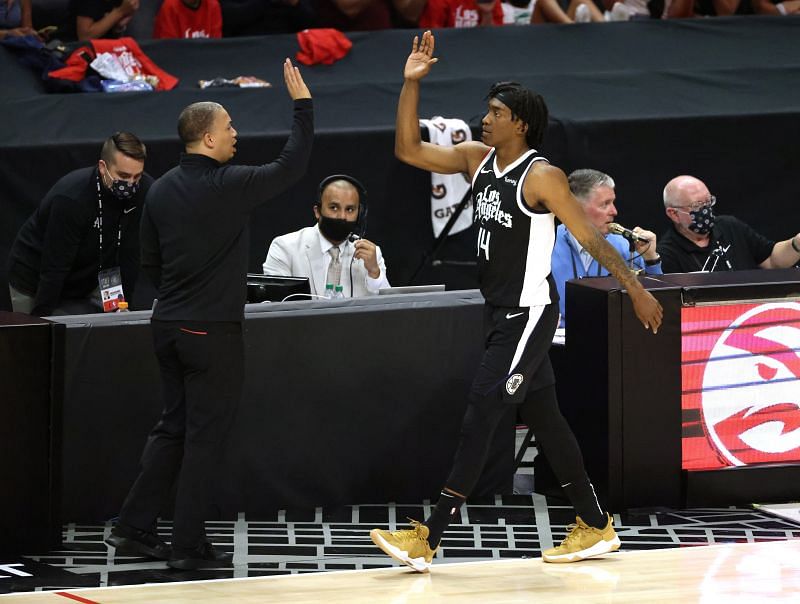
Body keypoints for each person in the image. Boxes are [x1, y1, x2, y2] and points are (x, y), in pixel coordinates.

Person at [369, 30, 662, 571]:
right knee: (547, 418)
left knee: (482, 410)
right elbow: (407, 149)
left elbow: (591, 238)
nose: (486, 118)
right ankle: (596, 526)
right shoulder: (476, 159)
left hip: (528, 314)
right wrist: (410, 85)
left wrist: (636, 288)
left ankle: (429, 538)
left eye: (496, 111)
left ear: (520, 123)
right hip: (498, 310)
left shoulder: (543, 176)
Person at [105, 59, 313, 570]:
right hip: (210, 330)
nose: (236, 135)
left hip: (167, 325)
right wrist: (303, 106)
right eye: (230, 128)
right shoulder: (228, 184)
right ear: (207, 137)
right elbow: (292, 165)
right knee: (203, 439)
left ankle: (133, 527)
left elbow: (147, 261)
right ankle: (187, 546)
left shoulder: (159, 188)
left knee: (172, 428)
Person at [7, 132, 152, 316]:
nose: (130, 183)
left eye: (137, 176)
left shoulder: (142, 191)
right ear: (102, 167)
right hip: (35, 278)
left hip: (91, 276)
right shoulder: (72, 198)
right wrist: (42, 323)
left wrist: (123, 309)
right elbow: (55, 266)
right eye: (123, 175)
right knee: (35, 338)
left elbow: (129, 254)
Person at [551, 169, 662, 327]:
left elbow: (656, 307)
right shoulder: (547, 243)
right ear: (576, 207)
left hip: (611, 342)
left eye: (613, 202)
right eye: (605, 204)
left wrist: (651, 260)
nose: (614, 212)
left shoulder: (624, 245)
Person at [263, 175, 390, 298]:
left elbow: (389, 308)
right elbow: (276, 305)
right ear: (317, 211)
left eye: (350, 209)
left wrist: (374, 272)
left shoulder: (372, 255)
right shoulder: (285, 248)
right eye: (334, 208)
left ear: (360, 214)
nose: (342, 216)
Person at [659, 175, 800, 274]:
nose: (706, 209)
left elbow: (771, 260)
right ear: (674, 214)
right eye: (697, 205)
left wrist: (797, 243)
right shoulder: (667, 254)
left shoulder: (729, 226)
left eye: (708, 202)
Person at [73, 0, 140, 40]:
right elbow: (85, 37)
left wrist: (118, 27)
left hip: (107, 52)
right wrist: (120, 12)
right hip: (76, 52)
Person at [153, 0, 222, 39]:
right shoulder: (169, 7)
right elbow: (169, 47)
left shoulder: (213, 5)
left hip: (206, 58)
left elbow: (215, 45)